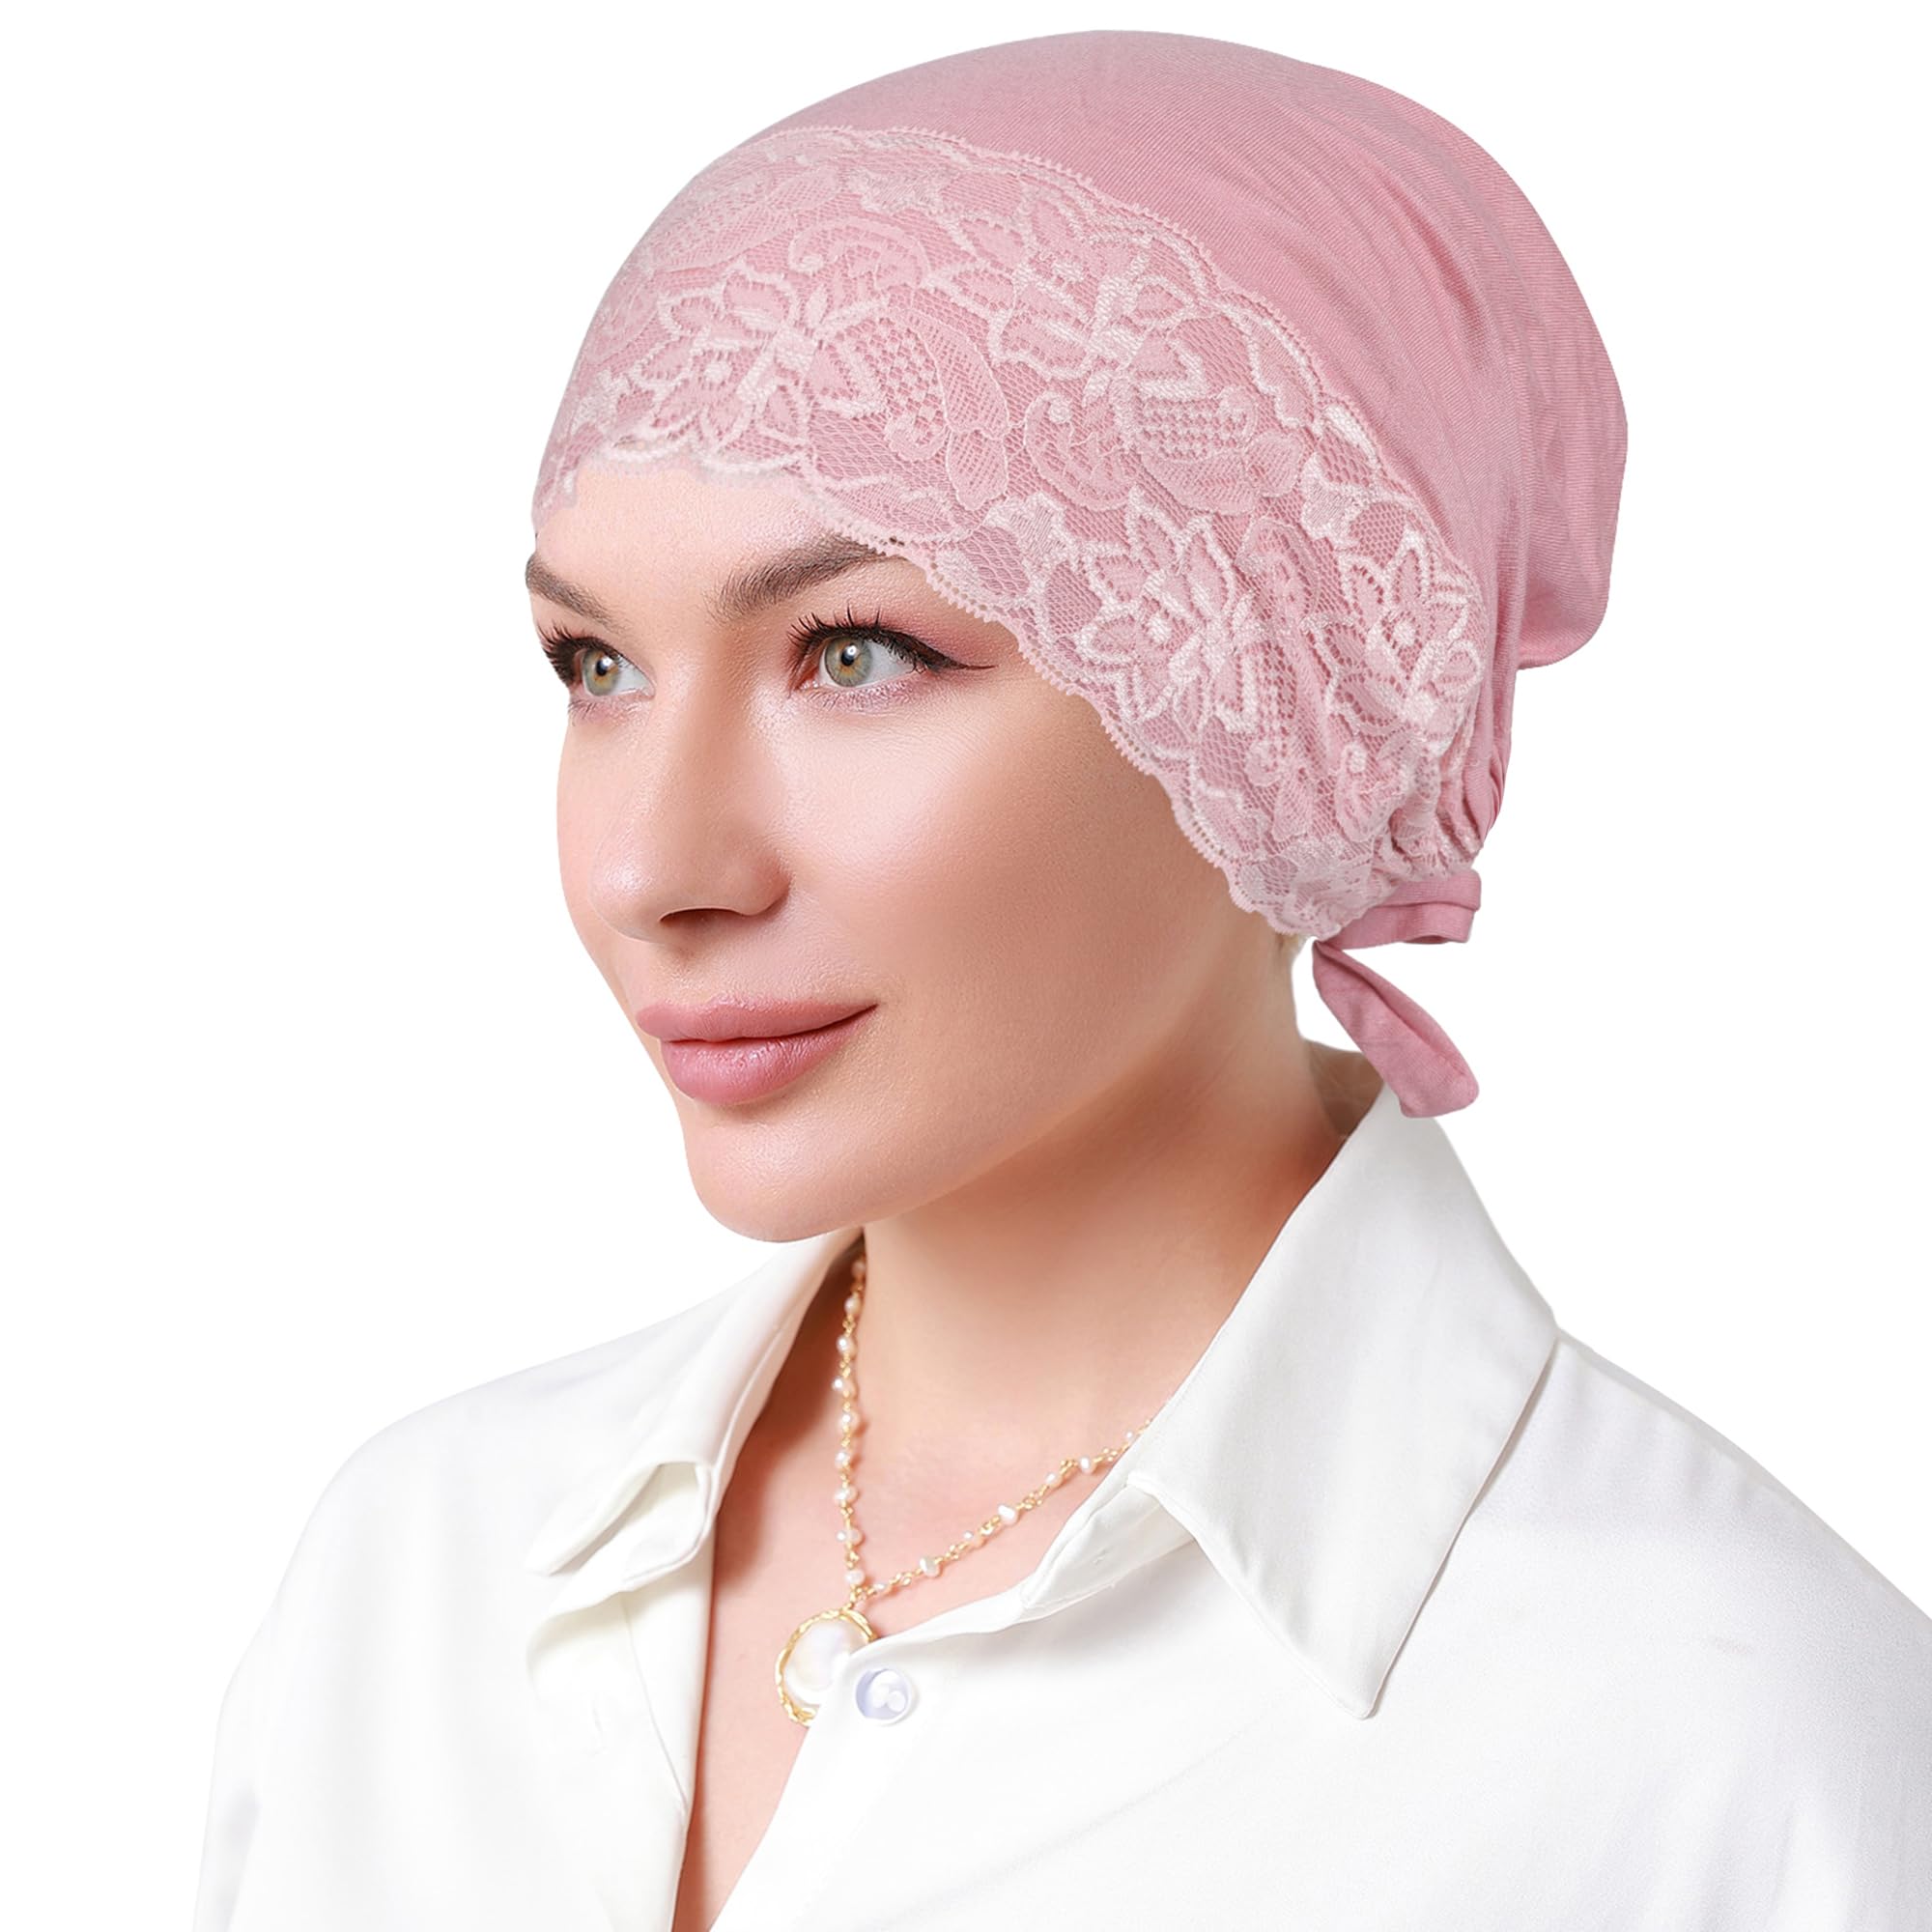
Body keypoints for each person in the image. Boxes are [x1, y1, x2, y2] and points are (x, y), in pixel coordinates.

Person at [192, 29, 1932, 1932]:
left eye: (857, 652)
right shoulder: (417, 1574)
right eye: (595, 667)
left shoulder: (1721, 1748)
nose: (651, 870)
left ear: (1285, 714)